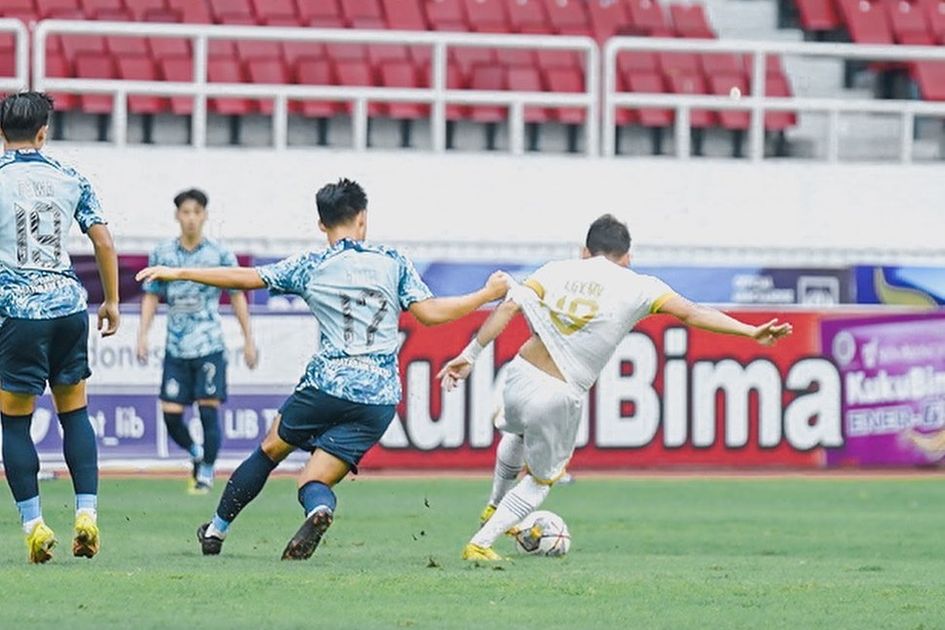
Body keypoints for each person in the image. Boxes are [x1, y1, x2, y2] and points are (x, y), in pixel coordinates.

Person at [136, 178, 509, 560]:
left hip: (327, 385)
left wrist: (180, 273)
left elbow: (248, 279)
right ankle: (318, 508)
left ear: (321, 224)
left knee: (270, 450)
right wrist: (486, 295)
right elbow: (430, 314)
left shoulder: (311, 265)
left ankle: (216, 530)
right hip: (379, 397)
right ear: (362, 218)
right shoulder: (392, 261)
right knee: (313, 480)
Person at [438, 214, 793, 561]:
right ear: (627, 258)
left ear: (584, 252)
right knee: (541, 481)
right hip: (558, 392)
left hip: (519, 373)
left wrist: (469, 355)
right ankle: (481, 543)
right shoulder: (640, 286)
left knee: (516, 433)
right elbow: (692, 312)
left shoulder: (554, 270)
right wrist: (750, 331)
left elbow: (508, 307)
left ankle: (494, 505)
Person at [0, 92, 120, 563]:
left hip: (19, 312)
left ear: (2, 133)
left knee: (14, 420)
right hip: (69, 308)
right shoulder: (70, 177)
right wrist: (111, 301)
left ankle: (34, 525)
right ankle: (86, 513)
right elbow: (103, 241)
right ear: (43, 133)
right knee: (75, 412)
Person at [137, 188, 257, 494]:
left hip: (208, 345)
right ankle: (196, 452)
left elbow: (237, 296)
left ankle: (206, 472)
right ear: (177, 216)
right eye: (185, 212)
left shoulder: (219, 255)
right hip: (176, 347)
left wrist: (248, 339)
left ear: (205, 215)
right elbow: (151, 296)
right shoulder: (162, 254)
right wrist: (142, 334)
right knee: (171, 413)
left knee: (208, 408)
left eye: (196, 212)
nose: (191, 218)